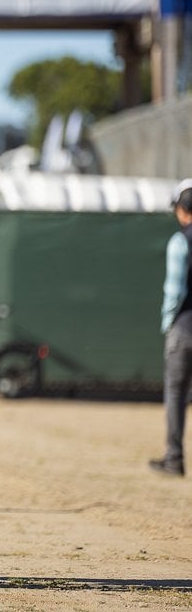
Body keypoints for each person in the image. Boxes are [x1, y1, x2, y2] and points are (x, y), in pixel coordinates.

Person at [151, 179, 192, 477]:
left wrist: (168, 323)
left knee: (176, 392)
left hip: (185, 327)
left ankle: (174, 457)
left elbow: (174, 290)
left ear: (182, 209)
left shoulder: (180, 242)